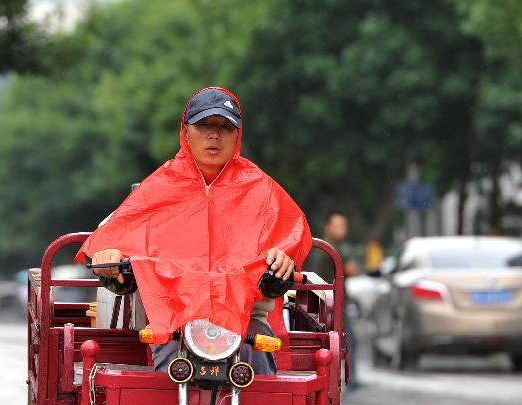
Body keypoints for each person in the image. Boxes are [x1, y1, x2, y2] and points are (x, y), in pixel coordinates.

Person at [77, 87, 312, 374]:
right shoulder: (159, 186)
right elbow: (113, 238)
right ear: (185, 131)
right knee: (163, 382)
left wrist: (283, 260)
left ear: (238, 135)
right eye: (203, 125)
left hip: (246, 322)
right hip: (174, 322)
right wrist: (108, 256)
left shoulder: (262, 190)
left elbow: (290, 239)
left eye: (225, 127)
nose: (214, 135)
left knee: (267, 392)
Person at [310, 211, 360, 389]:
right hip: (331, 302)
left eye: (343, 226)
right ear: (327, 227)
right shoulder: (330, 248)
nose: (342, 230)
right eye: (337, 226)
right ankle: (348, 379)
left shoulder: (333, 247)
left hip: (331, 301)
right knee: (345, 340)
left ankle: (342, 378)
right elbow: (351, 270)